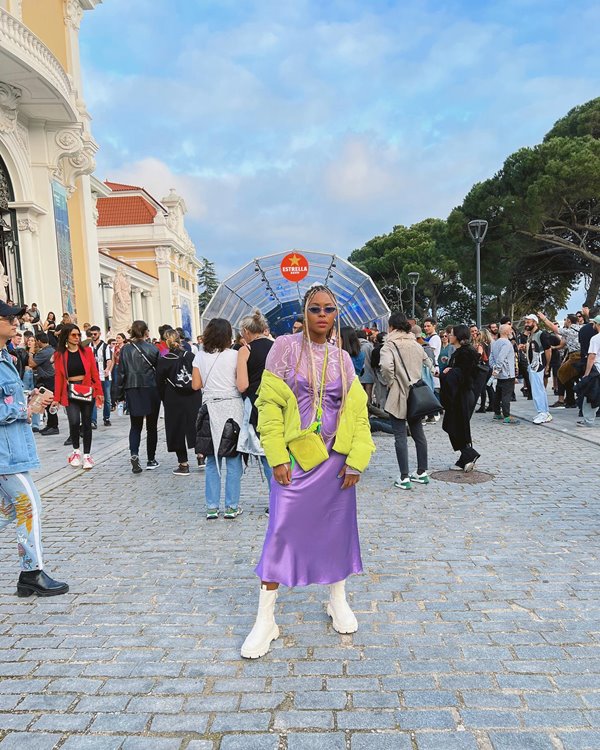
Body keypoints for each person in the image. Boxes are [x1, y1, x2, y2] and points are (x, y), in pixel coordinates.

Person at [240, 285, 374, 660]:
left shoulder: (343, 358)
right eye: (314, 308)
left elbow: (357, 412)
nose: (321, 314)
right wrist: (276, 456)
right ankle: (265, 619)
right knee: (280, 530)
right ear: (305, 311)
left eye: (328, 309)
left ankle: (337, 598)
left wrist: (356, 458)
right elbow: (267, 405)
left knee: (336, 528)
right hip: (296, 458)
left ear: (335, 315)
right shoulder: (283, 348)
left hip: (335, 459)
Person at [0, 301, 69, 597]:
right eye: (8, 317)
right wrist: (24, 408)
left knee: (11, 511)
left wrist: (30, 399)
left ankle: (30, 575)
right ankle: (32, 572)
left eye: (16, 318)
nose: (16, 322)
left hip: (12, 449)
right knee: (30, 506)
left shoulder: (6, 356)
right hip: (4, 455)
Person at [192, 318, 244, 519]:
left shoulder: (199, 356)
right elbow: (241, 384)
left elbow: (196, 385)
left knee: (212, 460)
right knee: (233, 459)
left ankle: (212, 507)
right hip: (232, 408)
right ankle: (231, 507)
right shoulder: (235, 355)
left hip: (209, 409)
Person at [379, 311, 432, 490]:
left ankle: (404, 476)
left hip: (399, 393)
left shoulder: (389, 345)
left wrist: (390, 381)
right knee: (418, 434)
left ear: (391, 327)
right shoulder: (416, 344)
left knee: (400, 435)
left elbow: (386, 367)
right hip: (416, 394)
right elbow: (428, 360)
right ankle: (422, 472)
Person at [52, 324, 102, 470]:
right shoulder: (59, 355)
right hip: (70, 391)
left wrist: (99, 392)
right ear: (66, 336)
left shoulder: (87, 352)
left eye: (78, 335)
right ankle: (75, 451)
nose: (77, 338)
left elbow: (94, 373)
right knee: (73, 422)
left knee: (86, 423)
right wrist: (56, 398)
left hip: (87, 389)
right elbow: (58, 378)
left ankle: (87, 455)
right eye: (73, 335)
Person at [115, 320, 161, 474]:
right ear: (146, 332)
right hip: (151, 388)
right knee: (152, 426)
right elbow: (160, 371)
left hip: (132, 388)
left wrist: (119, 394)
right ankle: (151, 459)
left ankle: (134, 454)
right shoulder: (152, 348)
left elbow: (121, 373)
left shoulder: (126, 350)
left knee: (135, 425)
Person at [236, 310, 274, 488]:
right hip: (279, 402)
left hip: (257, 404)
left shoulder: (246, 350)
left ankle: (275, 497)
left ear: (246, 331)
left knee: (266, 453)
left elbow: (242, 385)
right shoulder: (277, 346)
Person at [156, 330, 202, 474]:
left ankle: (183, 463)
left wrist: (164, 398)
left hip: (173, 396)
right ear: (180, 340)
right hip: (193, 395)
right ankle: (201, 455)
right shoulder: (191, 356)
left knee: (176, 428)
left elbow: (159, 383)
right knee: (196, 424)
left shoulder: (164, 359)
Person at [440, 324, 482, 472]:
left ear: (457, 336)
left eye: (451, 334)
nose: (449, 336)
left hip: (462, 395)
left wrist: (448, 373)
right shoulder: (461, 351)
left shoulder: (465, 353)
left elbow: (464, 375)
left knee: (456, 426)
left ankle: (469, 455)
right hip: (459, 395)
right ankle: (465, 458)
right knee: (454, 426)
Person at [521, 314, 557, 424]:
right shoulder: (532, 335)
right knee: (539, 389)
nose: (526, 324)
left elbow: (548, 350)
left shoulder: (542, 334)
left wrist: (547, 366)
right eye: (526, 322)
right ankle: (544, 412)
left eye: (529, 322)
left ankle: (543, 412)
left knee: (537, 390)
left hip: (539, 365)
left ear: (535, 322)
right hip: (534, 364)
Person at [26, 332, 60, 435]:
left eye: (36, 341)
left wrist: (31, 352)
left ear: (39, 341)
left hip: (48, 380)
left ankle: (54, 426)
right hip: (51, 379)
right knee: (47, 402)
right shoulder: (51, 350)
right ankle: (50, 425)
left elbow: (31, 364)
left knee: (49, 403)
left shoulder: (44, 352)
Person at [489, 324, 519, 424]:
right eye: (510, 330)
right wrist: (497, 368)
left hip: (500, 374)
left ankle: (497, 413)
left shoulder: (495, 343)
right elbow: (501, 357)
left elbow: (491, 357)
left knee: (498, 394)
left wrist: (494, 368)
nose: (511, 332)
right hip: (507, 373)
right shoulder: (507, 343)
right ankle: (507, 416)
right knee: (506, 395)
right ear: (506, 332)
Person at [576, 314, 600, 427]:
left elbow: (591, 357)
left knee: (590, 396)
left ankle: (588, 420)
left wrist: (586, 374)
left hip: (596, 370)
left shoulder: (595, 339)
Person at [88, 326, 113, 427]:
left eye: (95, 334)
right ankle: (93, 420)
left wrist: (107, 369)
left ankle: (106, 418)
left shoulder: (105, 346)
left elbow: (109, 360)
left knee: (107, 398)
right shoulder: (88, 347)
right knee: (92, 399)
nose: (93, 336)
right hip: (92, 378)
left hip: (104, 376)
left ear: (99, 334)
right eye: (91, 334)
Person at [357, 330, 375, 401]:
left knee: (360, 395)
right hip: (369, 373)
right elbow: (373, 358)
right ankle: (369, 410)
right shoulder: (369, 345)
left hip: (359, 374)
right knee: (368, 394)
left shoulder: (354, 345)